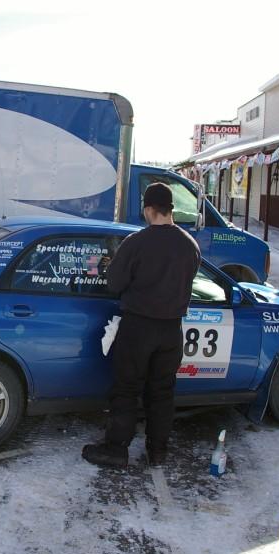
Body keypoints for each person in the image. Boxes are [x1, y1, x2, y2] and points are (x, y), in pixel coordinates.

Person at [82, 182, 201, 468]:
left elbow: (114, 284)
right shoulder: (190, 245)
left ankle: (116, 450)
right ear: (170, 209)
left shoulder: (136, 243)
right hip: (172, 331)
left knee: (126, 389)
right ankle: (158, 452)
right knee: (162, 392)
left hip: (138, 328)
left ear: (149, 209)